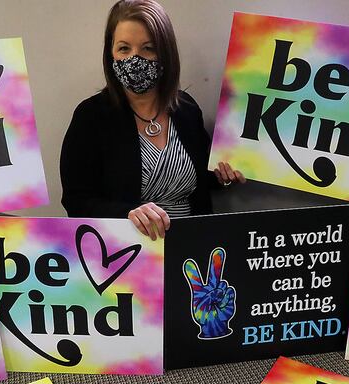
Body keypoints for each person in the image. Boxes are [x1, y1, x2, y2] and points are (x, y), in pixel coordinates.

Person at [60, 0, 244, 240]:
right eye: (124, 48)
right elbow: (76, 200)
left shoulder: (186, 108)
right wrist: (127, 214)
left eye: (148, 48)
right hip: (129, 252)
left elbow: (198, 178)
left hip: (191, 246)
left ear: (165, 53)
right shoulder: (90, 117)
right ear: (111, 53)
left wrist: (222, 176)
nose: (135, 59)